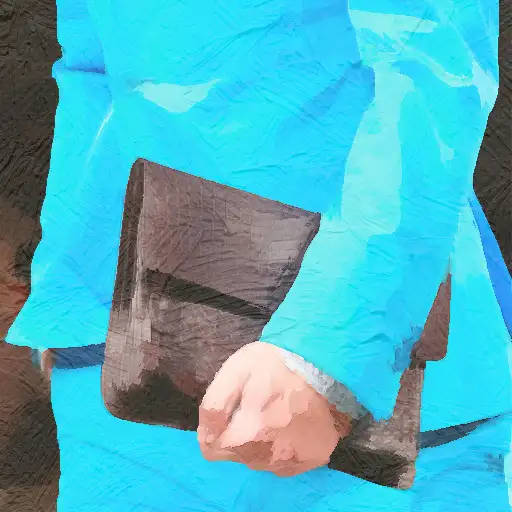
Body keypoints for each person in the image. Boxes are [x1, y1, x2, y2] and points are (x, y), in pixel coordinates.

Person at [6, 0, 511, 510]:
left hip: (374, 391)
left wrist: (326, 353)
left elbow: (433, 72)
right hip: (124, 378)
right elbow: (93, 68)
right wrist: (69, 306)